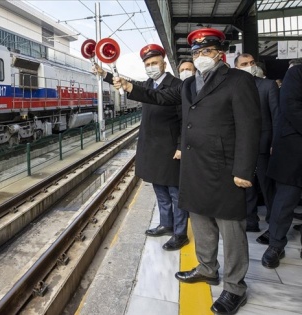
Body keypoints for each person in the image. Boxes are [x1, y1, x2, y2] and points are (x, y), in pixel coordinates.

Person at [113, 28, 261, 315]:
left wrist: (244, 169)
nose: (201, 57)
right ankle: (207, 268)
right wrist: (129, 86)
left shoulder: (238, 80)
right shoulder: (188, 84)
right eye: (196, 52)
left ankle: (234, 288)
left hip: (225, 167)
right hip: (194, 165)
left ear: (220, 52)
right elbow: (159, 97)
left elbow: (249, 127)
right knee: (201, 221)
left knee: (231, 229)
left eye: (206, 51)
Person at [96, 44, 188, 250]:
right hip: (151, 147)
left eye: (154, 63)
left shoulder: (176, 85)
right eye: (147, 64)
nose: (151, 67)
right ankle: (166, 223)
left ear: (164, 64)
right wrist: (105, 74)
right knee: (159, 189)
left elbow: (184, 119)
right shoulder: (148, 83)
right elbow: (130, 85)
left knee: (175, 192)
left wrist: (181, 145)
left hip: (171, 147)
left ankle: (180, 233)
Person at [234, 53, 279, 235]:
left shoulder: (268, 86)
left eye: (252, 62)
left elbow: (277, 117)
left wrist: (275, 143)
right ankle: (251, 220)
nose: (250, 66)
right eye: (244, 64)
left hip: (263, 145)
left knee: (267, 186)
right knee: (247, 185)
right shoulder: (234, 88)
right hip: (241, 147)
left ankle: (273, 221)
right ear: (237, 68)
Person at [263, 64, 302, 265]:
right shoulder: (297, 73)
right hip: (296, 151)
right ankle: (275, 245)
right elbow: (290, 106)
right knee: (285, 201)